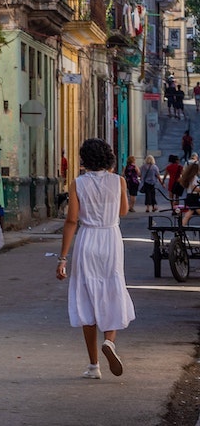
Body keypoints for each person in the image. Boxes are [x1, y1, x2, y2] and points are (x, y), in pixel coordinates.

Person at [57, 139, 135, 379]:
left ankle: (94, 366)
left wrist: (62, 258)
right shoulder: (118, 181)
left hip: (87, 239)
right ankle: (109, 342)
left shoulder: (78, 184)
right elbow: (123, 211)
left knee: (86, 298)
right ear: (108, 158)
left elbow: (71, 221)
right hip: (111, 238)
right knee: (113, 289)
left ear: (85, 160)